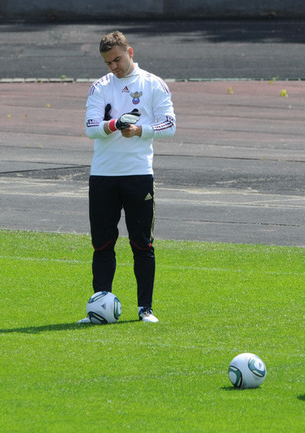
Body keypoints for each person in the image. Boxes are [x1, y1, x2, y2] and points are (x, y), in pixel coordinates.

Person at [80, 31, 176, 323]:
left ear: (130, 52)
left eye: (117, 60)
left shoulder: (153, 84)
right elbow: (91, 127)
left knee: (142, 244)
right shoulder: (100, 87)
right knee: (102, 245)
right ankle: (99, 307)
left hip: (138, 175)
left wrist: (139, 130)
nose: (114, 67)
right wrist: (114, 125)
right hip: (103, 175)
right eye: (108, 63)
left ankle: (145, 309)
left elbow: (169, 125)